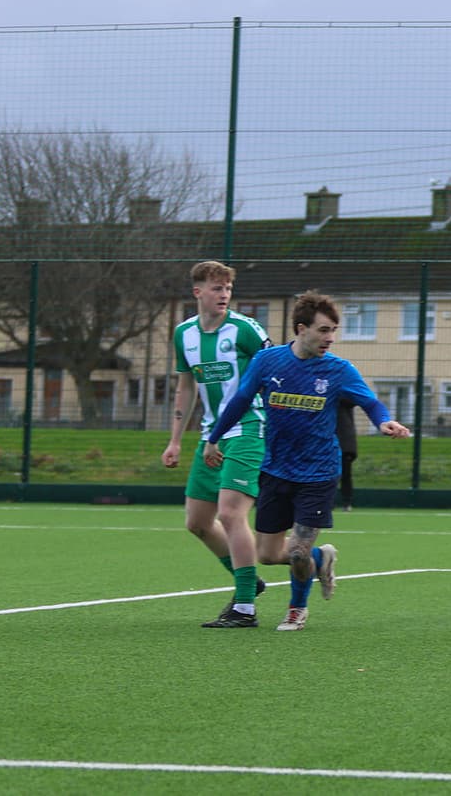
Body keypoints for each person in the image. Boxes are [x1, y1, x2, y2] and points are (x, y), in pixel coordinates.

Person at [206, 291, 411, 631]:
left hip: (318, 473)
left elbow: (371, 403)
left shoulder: (338, 370)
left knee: (297, 552)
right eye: (323, 330)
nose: (330, 338)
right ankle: (322, 557)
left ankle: (296, 608)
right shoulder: (268, 361)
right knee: (268, 555)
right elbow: (241, 400)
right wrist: (214, 438)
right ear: (301, 329)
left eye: (334, 330)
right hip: (275, 469)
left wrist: (384, 421)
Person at [161, 260, 271, 628]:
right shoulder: (184, 334)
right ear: (198, 292)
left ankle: (244, 607)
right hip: (212, 436)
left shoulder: (245, 329)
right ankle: (249, 580)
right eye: (216, 288)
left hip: (249, 429)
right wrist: (175, 440)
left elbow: (278, 371)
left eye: (227, 288)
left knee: (230, 514)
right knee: (197, 522)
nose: (224, 294)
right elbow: (186, 386)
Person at [337, 400, 358, 511]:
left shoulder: (345, 398)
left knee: (345, 474)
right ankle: (328, 503)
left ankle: (347, 502)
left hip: (344, 442)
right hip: (330, 442)